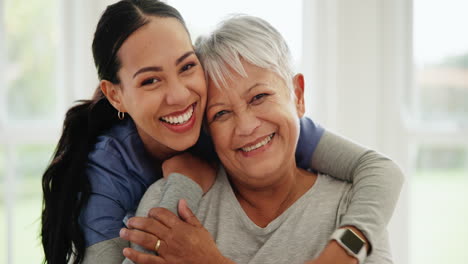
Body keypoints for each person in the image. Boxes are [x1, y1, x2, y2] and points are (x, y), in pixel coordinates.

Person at [39, 1, 403, 264]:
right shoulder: (130, 181)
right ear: (115, 93)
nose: (246, 126)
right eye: (222, 113)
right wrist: (181, 188)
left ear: (299, 95)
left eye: (260, 97)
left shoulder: (350, 206)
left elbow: (382, 169)